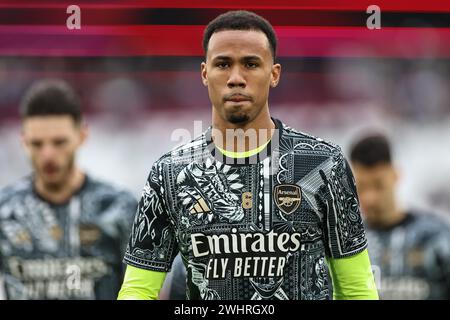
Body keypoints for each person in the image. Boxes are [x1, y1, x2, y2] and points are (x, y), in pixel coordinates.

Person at [118, 10, 378, 300]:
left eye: (251, 64)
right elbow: (138, 291)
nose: (236, 78)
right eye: (223, 64)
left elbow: (357, 290)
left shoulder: (323, 164)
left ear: (274, 74)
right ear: (205, 74)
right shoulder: (169, 173)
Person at [0, 79, 138, 299]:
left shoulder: (120, 209)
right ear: (23, 142)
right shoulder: (6, 211)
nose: (47, 155)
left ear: (82, 136)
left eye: (59, 142)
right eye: (37, 144)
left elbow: (144, 291)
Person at [349, 133, 450, 299]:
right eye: (362, 187)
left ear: (396, 175)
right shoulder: (348, 246)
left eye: (378, 185)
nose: (370, 197)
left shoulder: (436, 237)